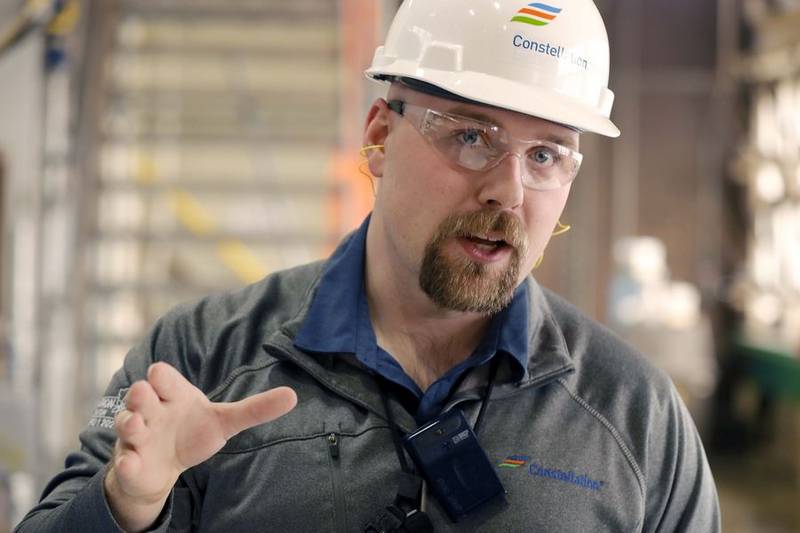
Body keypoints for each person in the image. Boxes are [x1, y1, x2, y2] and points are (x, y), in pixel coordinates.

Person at [16, 0, 720, 531]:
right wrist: (126, 504)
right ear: (380, 135)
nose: (508, 189)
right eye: (473, 135)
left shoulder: (632, 415)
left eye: (545, 155)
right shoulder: (203, 357)